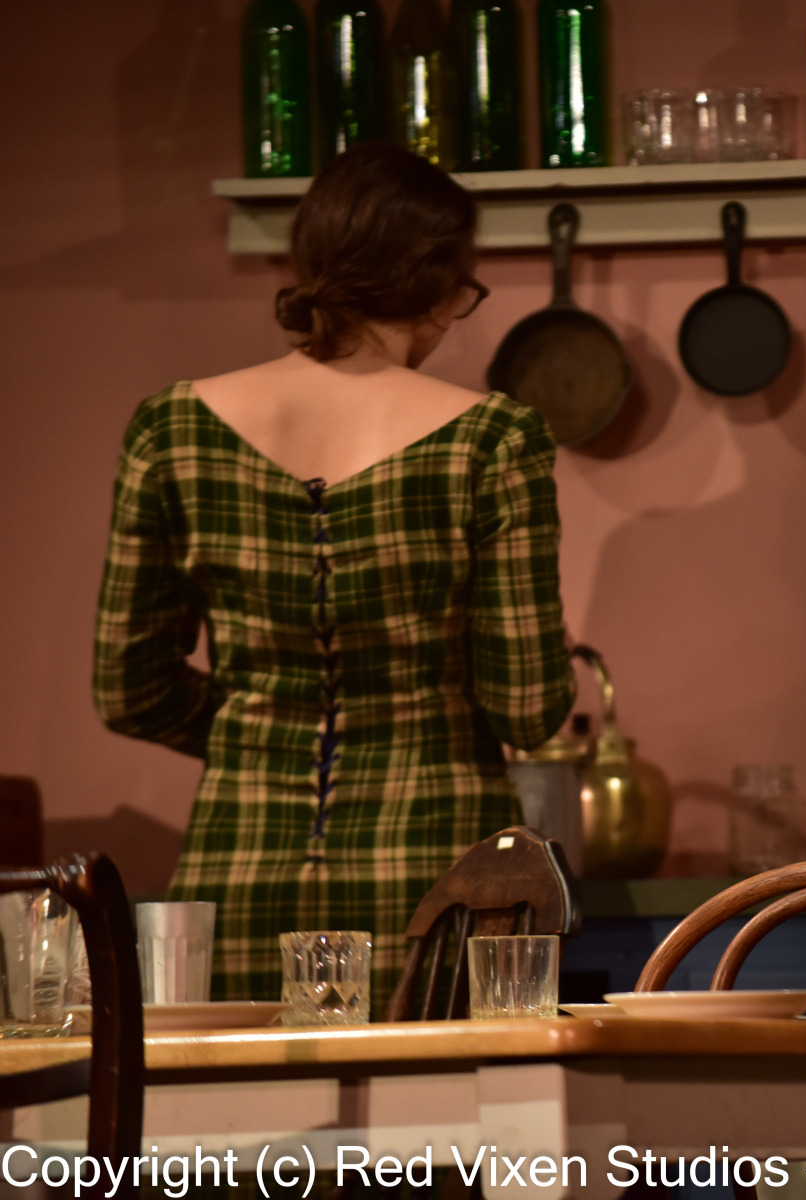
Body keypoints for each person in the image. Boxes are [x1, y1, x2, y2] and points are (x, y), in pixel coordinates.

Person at [93, 144, 575, 1004]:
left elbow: (129, 689)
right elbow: (527, 705)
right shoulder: (492, 439)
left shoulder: (172, 429)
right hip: (437, 879)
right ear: (436, 282)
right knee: (436, 1094)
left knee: (238, 1092)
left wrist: (256, 731)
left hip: (239, 865)